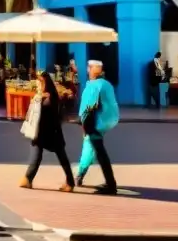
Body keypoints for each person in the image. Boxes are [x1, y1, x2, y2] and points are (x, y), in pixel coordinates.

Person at [20, 71, 75, 192]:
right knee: (37, 154)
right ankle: (28, 179)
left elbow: (47, 113)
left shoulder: (50, 97)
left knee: (62, 157)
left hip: (52, 132)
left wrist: (38, 100)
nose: (38, 86)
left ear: (45, 84)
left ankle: (70, 182)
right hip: (43, 132)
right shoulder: (45, 96)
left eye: (40, 84)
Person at [75, 59, 119, 194]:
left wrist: (84, 125)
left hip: (94, 124)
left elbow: (88, 109)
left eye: (89, 68)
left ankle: (111, 184)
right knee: (91, 146)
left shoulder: (93, 86)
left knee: (100, 152)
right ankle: (80, 174)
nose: (87, 70)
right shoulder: (107, 84)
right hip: (106, 122)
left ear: (94, 70)